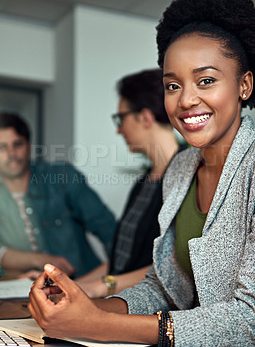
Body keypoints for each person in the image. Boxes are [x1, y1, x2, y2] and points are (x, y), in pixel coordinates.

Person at [28, 0, 255, 347]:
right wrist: (89, 307)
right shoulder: (181, 168)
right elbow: (165, 291)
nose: (185, 99)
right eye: (172, 85)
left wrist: (99, 324)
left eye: (207, 80)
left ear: (244, 85)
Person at [0, 112, 116, 278]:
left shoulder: (62, 176)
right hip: (25, 290)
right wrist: (39, 260)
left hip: (82, 282)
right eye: (1, 147)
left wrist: (119, 277)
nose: (12, 154)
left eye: (18, 144)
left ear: (29, 146)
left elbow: (107, 227)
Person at [75, 69, 181, 297]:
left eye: (121, 118)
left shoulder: (189, 177)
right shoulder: (144, 182)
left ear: (145, 117)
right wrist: (71, 285)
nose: (119, 129)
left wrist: (99, 287)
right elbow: (121, 261)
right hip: (119, 300)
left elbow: (175, 266)